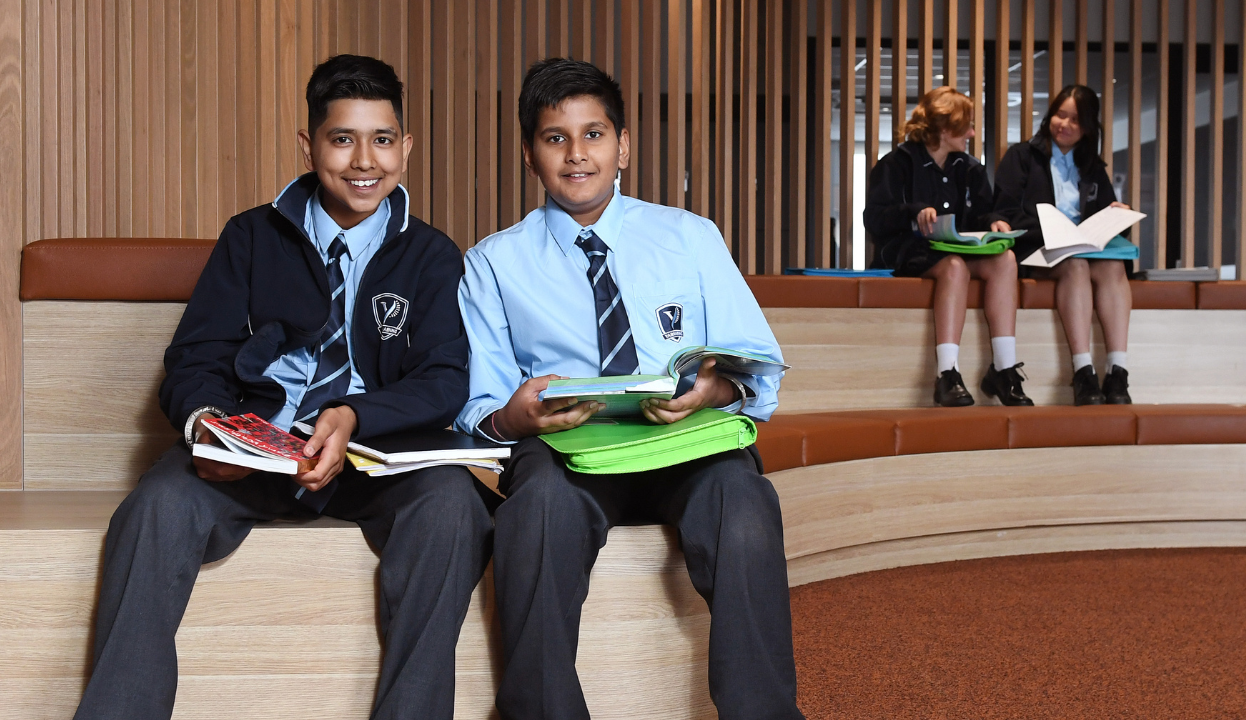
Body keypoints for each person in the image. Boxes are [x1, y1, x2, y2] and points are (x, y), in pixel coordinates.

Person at [73, 55, 493, 720]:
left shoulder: (432, 254)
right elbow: (194, 358)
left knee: (455, 507)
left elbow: (444, 380)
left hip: (372, 457)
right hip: (259, 454)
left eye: (382, 140)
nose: (365, 161)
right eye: (342, 138)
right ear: (309, 145)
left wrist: (356, 414)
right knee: (154, 509)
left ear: (406, 148)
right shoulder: (250, 237)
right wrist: (211, 424)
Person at [455, 58, 804, 720]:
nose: (576, 154)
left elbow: (756, 365)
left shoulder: (689, 236)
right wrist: (515, 417)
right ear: (530, 153)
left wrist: (711, 391)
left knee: (746, 503)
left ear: (624, 146)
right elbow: (480, 408)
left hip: (686, 438)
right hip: (565, 448)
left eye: (594, 134)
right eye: (555, 137)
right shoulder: (493, 263)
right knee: (534, 515)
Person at [865, 86, 1033, 407]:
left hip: (958, 248)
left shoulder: (969, 168)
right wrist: (913, 212)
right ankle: (948, 374)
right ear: (944, 128)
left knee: (1006, 259)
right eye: (966, 125)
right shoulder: (896, 164)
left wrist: (995, 222)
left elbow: (984, 211)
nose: (971, 132)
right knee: (954, 266)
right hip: (909, 251)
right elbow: (874, 219)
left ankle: (1004, 367)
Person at [993, 84, 1134, 405]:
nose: (1065, 125)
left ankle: (1118, 372)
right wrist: (1053, 232)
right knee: (1076, 264)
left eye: (1075, 120)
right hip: (1040, 248)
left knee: (1113, 265)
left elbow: (1102, 215)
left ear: (1087, 128)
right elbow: (1005, 212)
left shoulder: (1093, 166)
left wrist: (1116, 214)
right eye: (1060, 115)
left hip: (1082, 249)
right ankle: (1083, 371)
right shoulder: (1022, 156)